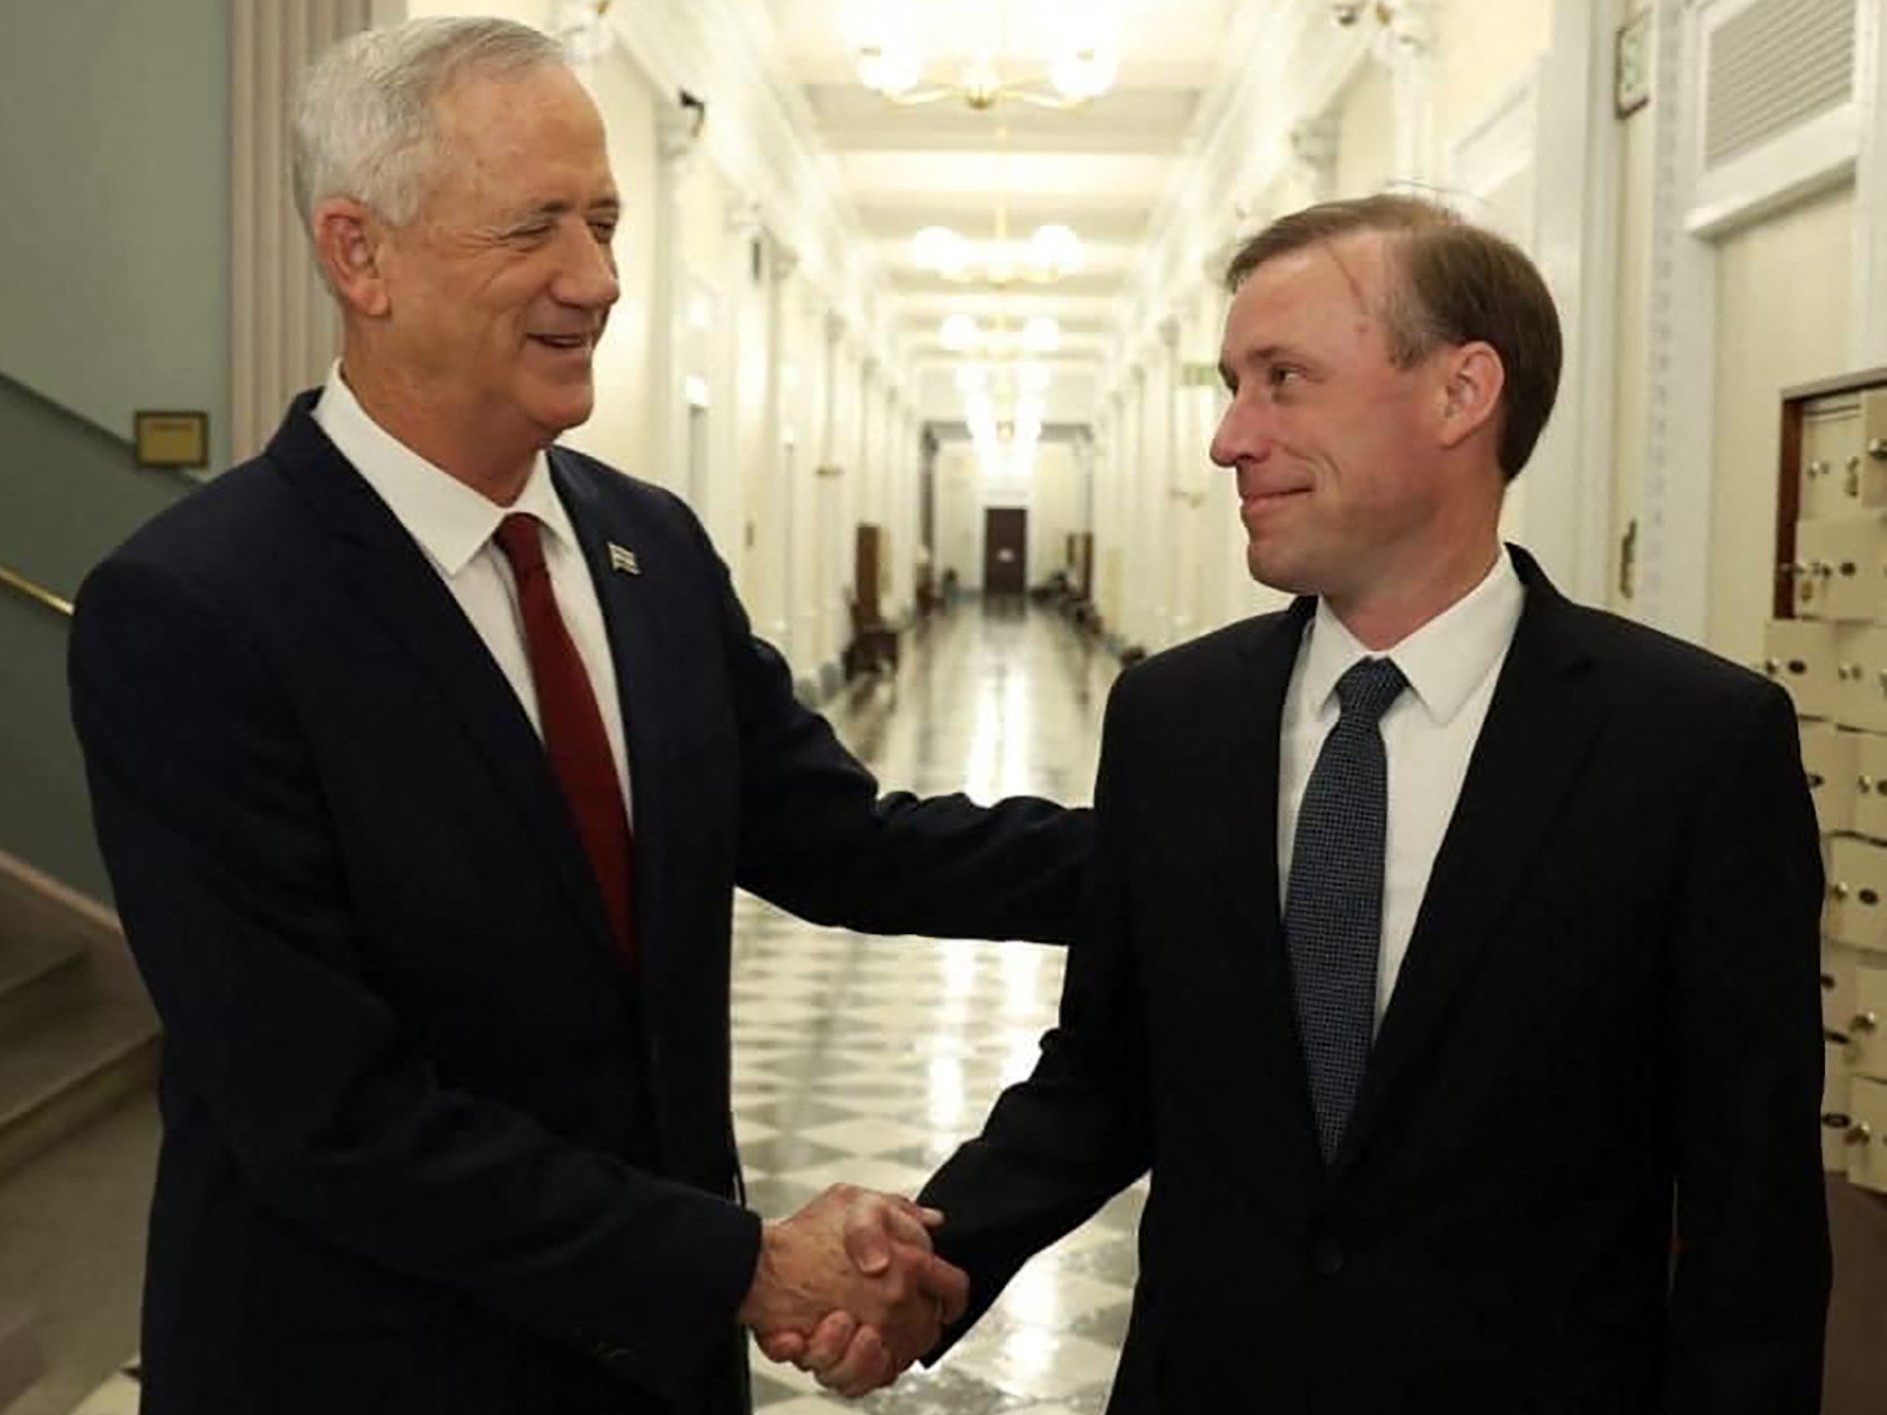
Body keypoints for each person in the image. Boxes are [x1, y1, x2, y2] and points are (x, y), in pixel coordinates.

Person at [65, 18, 1088, 1415]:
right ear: (358, 252)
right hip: (360, 1362)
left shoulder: (644, 545)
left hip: (650, 1365)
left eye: (604, 220)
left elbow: (845, 840)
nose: (596, 278)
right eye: (532, 227)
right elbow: (324, 1114)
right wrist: (738, 1258)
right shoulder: (197, 610)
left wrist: (1196, 837)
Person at [774, 195, 1831, 1410]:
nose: (1229, 437)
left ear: (1459, 391)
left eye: (1283, 379)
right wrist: (933, 1265)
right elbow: (1108, 1075)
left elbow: (1753, 1212)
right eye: (1232, 383)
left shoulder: (1691, 744)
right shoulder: (1176, 717)